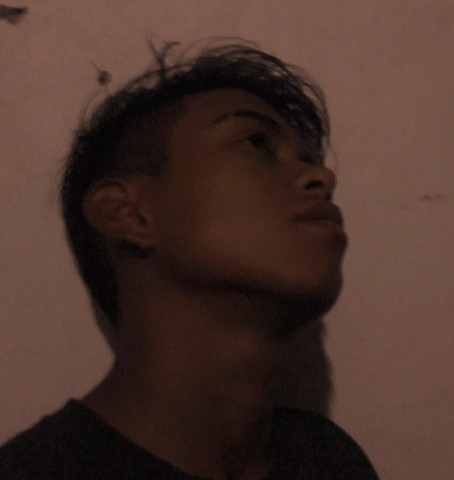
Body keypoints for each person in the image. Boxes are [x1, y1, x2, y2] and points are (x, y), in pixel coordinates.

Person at [0, 40, 379, 480]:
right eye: (256, 143)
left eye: (308, 159)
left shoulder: (328, 460)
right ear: (128, 214)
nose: (322, 177)